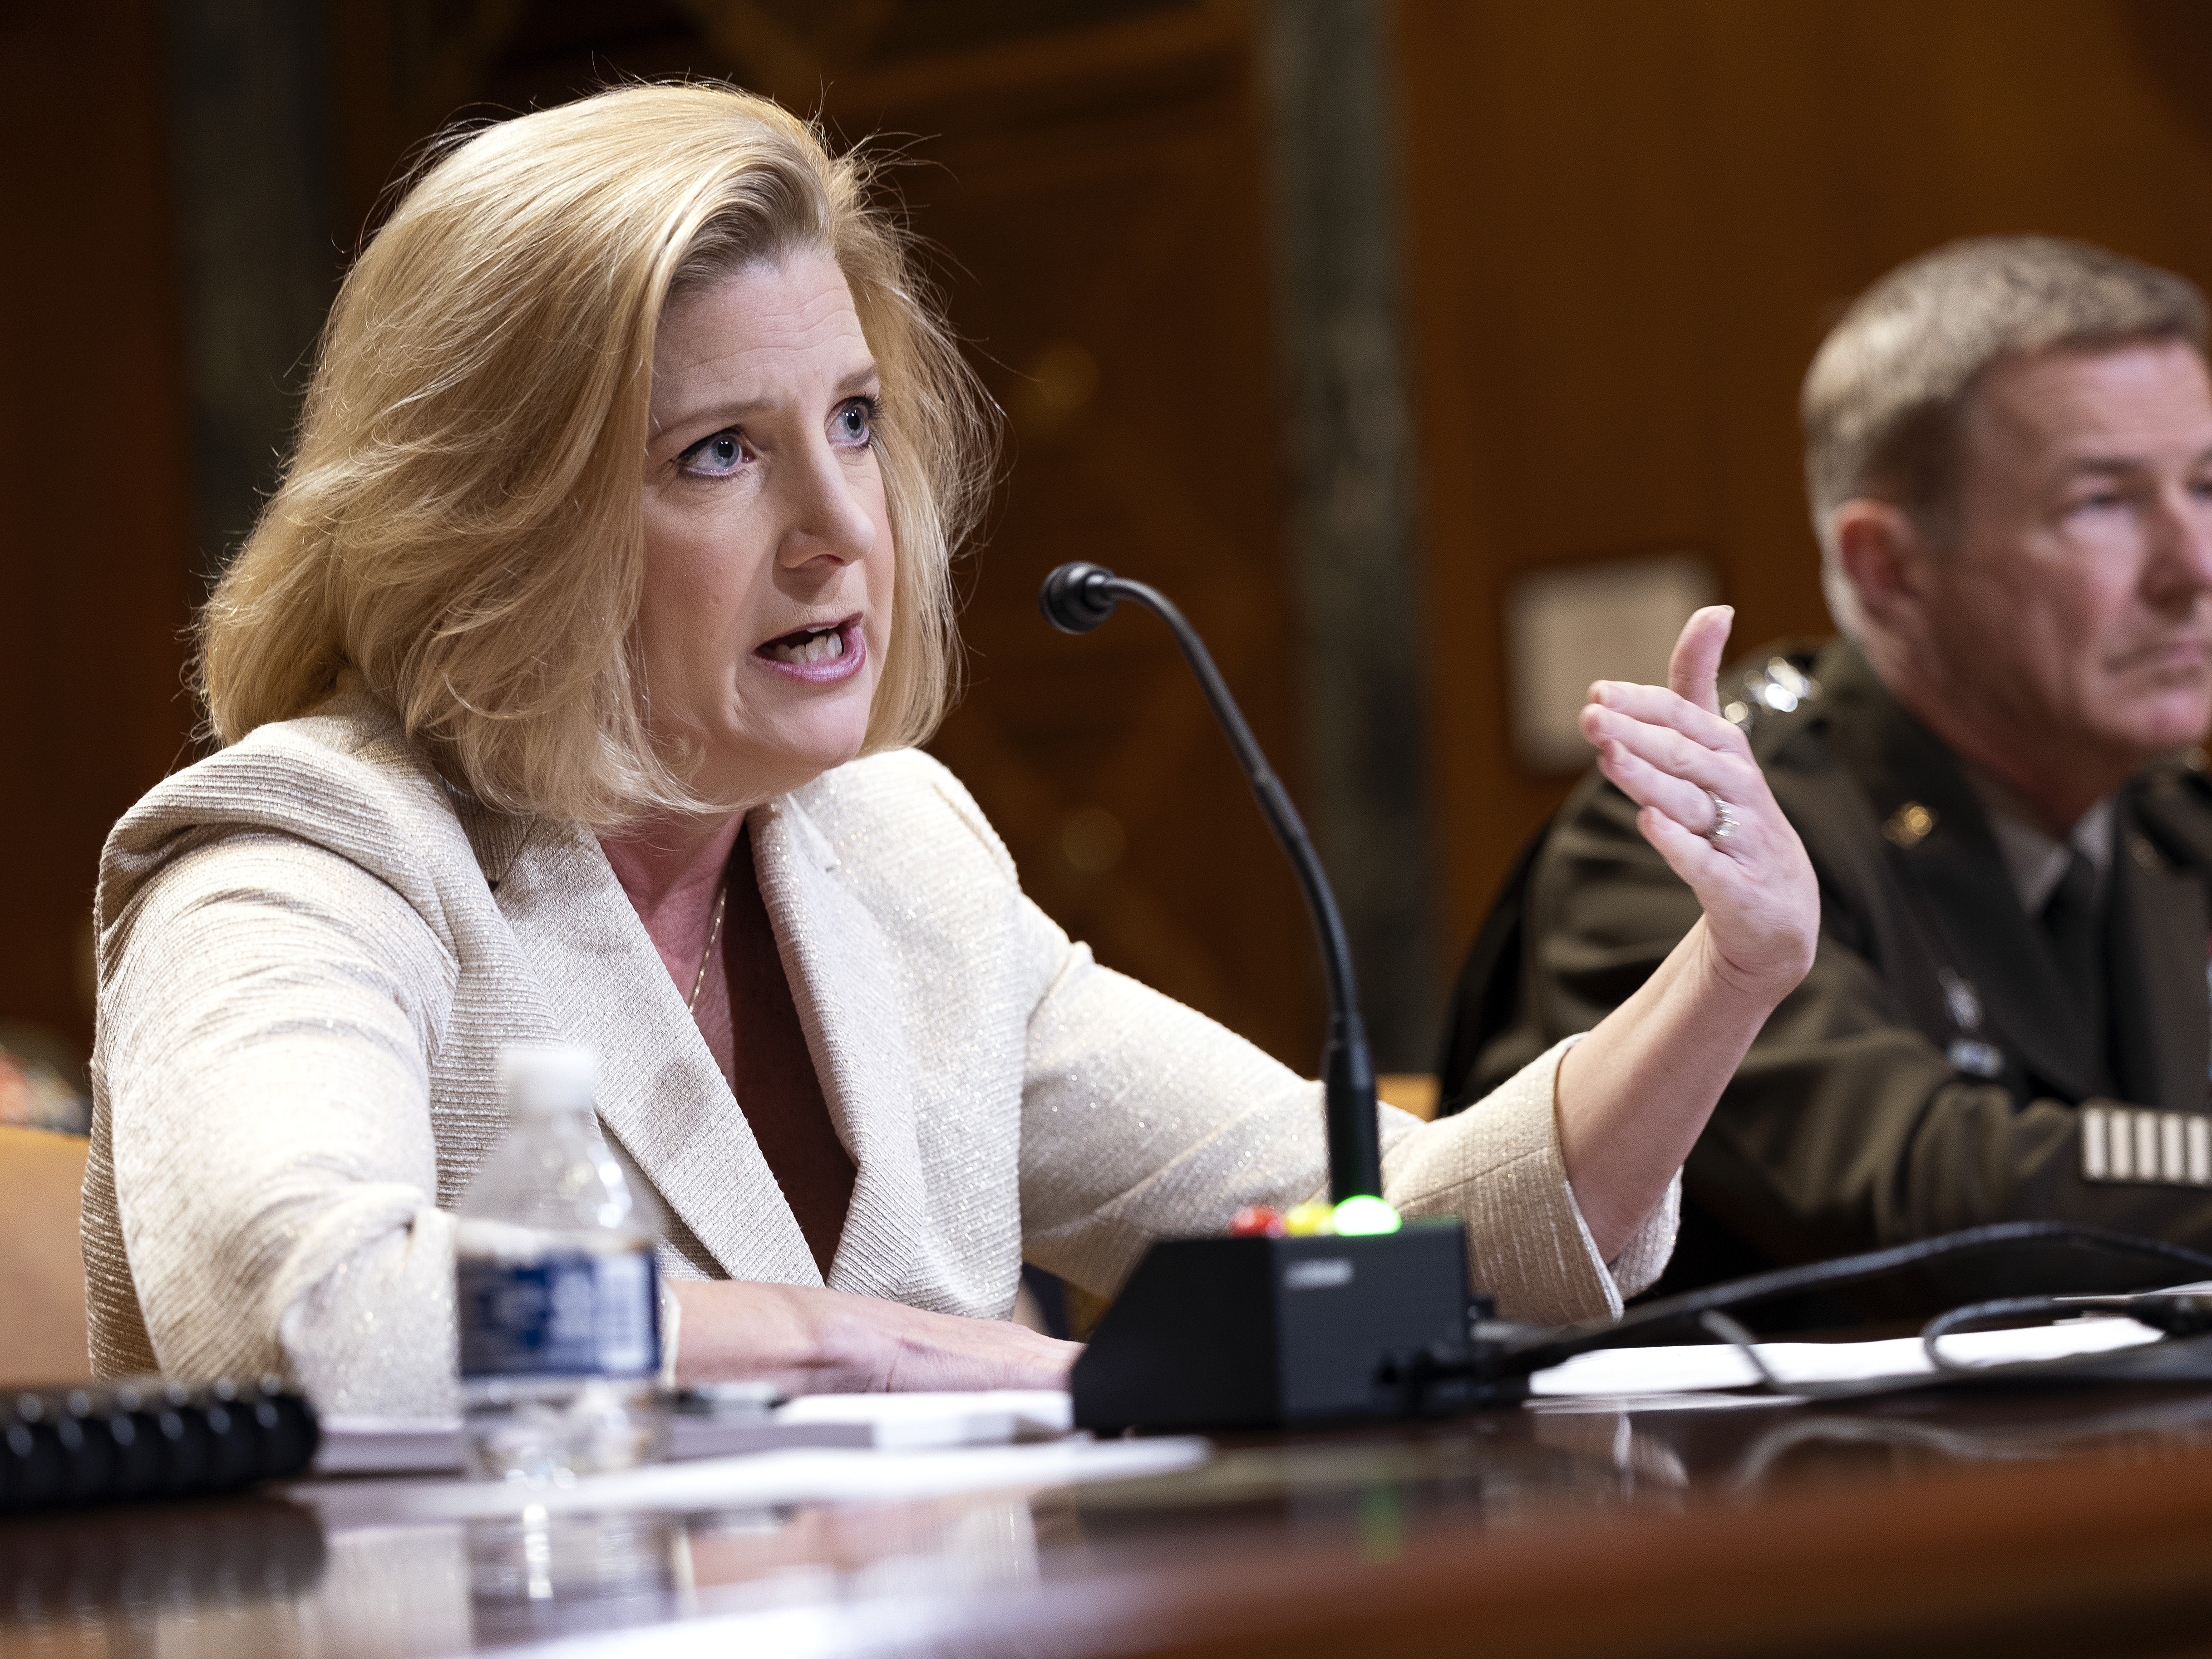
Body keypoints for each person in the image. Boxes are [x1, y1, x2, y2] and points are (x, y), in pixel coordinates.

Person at [85, 84, 1816, 1416]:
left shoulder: (889, 847)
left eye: (852, 419)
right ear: (493, 517)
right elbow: (303, 1298)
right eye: (715, 453)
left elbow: (1408, 1227)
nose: (843, 524)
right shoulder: (301, 856)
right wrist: (807, 1338)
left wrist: (1728, 973)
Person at [1441, 236, 2212, 1297]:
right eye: (2104, 504)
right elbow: (1919, 1179)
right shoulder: (1698, 833)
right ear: (1888, 568)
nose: (2194, 567)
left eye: (2206, 486)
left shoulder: (2173, 827)